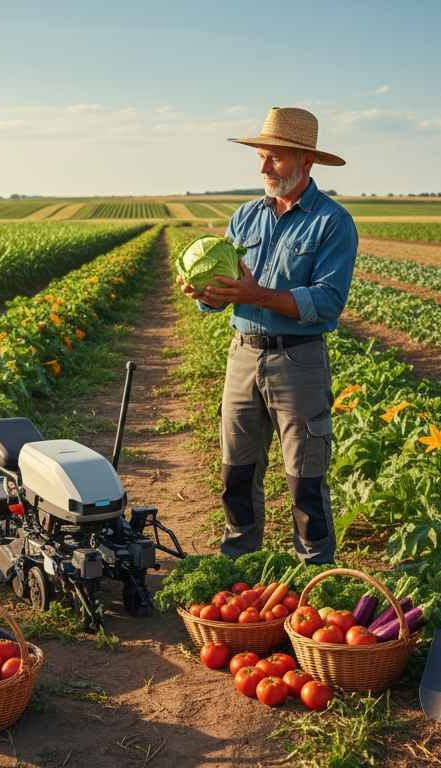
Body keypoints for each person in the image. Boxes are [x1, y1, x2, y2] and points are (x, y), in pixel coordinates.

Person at [177, 106, 358, 564]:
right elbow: (225, 295)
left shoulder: (331, 222)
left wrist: (255, 294)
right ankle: (239, 563)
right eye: (260, 156)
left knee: (305, 476)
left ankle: (313, 570)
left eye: (273, 158)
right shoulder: (245, 217)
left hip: (298, 361)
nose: (262, 167)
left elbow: (326, 301)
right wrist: (207, 293)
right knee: (236, 470)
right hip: (243, 354)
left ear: (305, 160)